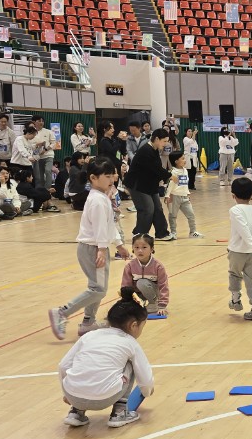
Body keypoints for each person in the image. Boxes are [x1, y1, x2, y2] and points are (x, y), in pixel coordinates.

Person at [57, 288, 154, 429]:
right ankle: (119, 413)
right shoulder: (130, 342)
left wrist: (69, 394)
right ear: (134, 325)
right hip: (105, 398)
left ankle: (76, 413)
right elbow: (145, 378)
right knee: (130, 364)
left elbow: (63, 366)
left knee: (84, 362)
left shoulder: (89, 335)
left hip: (73, 396)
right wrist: (147, 391)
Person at [49, 157, 118, 341]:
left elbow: (109, 225)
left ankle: (88, 322)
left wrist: (118, 244)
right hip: (93, 248)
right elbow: (99, 227)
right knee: (98, 289)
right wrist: (102, 249)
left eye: (112, 175)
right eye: (107, 176)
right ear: (93, 178)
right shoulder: (97, 200)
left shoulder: (102, 197)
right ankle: (62, 312)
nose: (112, 179)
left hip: (96, 247)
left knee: (97, 287)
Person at [225, 176, 252, 321]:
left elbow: (243, 228)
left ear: (233, 195)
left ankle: (235, 300)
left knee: (234, 274)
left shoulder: (234, 210)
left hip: (238, 251)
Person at [124, 129, 173, 240]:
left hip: (149, 185)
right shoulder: (146, 151)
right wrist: (169, 176)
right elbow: (155, 168)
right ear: (157, 139)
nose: (166, 144)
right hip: (138, 185)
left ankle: (162, 233)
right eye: (164, 141)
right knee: (147, 209)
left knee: (158, 208)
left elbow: (156, 169)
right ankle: (139, 235)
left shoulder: (154, 149)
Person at [121, 233, 170, 316]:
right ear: (133, 248)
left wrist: (162, 305)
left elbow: (163, 286)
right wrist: (126, 302)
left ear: (152, 249)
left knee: (141, 283)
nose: (140, 250)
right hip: (137, 296)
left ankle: (153, 304)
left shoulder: (158, 266)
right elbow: (126, 286)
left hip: (153, 294)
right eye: (137, 247)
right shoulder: (129, 266)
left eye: (144, 247)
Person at [164, 152, 202, 239]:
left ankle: (193, 232)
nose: (185, 160)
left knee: (191, 215)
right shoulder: (173, 172)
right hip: (174, 197)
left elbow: (185, 184)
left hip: (185, 197)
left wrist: (187, 193)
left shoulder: (185, 170)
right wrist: (167, 195)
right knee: (173, 216)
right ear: (176, 161)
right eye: (183, 158)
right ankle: (173, 233)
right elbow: (170, 184)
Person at [30, 116, 55, 192]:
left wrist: (46, 149)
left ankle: (48, 189)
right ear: (34, 122)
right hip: (38, 157)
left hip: (48, 155)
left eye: (42, 121)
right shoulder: (32, 133)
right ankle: (41, 190)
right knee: (40, 175)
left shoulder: (48, 132)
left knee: (48, 170)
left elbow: (54, 143)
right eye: (39, 121)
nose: (41, 122)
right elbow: (30, 145)